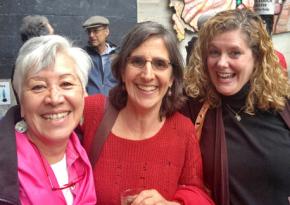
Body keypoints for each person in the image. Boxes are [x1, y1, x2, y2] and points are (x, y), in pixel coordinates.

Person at [81, 21, 214, 205]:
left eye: (160, 64)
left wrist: (172, 204)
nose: (148, 75)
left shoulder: (183, 130)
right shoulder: (92, 112)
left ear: (172, 78)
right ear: (122, 70)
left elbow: (198, 193)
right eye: (137, 61)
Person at [181, 9, 290, 205]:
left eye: (235, 53)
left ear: (256, 58)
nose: (222, 63)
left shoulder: (283, 105)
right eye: (214, 52)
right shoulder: (192, 107)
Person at [0, 35, 96, 205]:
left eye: (66, 83)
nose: (54, 98)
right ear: (21, 102)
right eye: (38, 87)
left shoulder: (83, 152)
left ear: (83, 94)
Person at [82, 15, 118, 95]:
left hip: (114, 104)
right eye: (89, 31)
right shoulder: (83, 56)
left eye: (95, 31)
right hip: (91, 104)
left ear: (106, 32)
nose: (91, 35)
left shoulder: (118, 55)